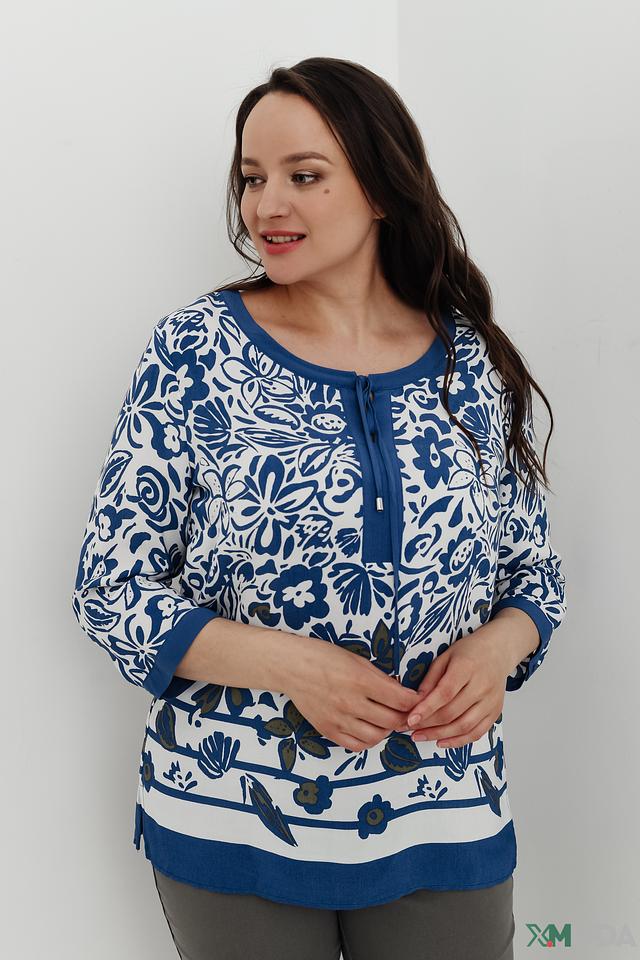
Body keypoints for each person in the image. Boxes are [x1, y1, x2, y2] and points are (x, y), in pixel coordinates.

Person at [71, 56, 567, 960]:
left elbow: (533, 570)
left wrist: (500, 647)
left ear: (380, 186)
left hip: (444, 810)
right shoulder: (196, 350)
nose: (266, 206)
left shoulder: (471, 361)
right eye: (252, 178)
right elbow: (110, 588)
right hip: (232, 815)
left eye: (304, 176)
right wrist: (295, 667)